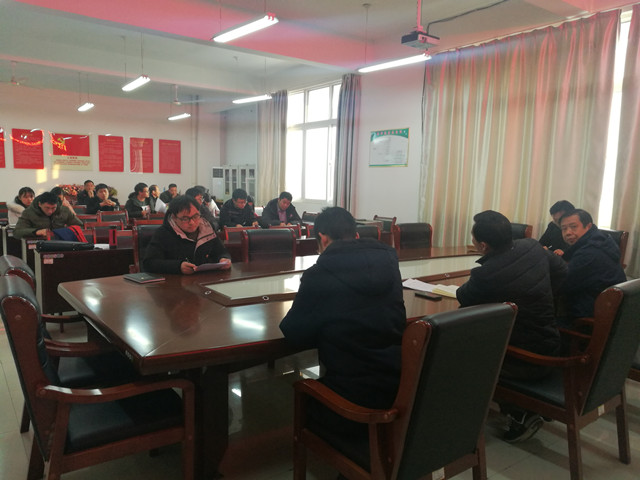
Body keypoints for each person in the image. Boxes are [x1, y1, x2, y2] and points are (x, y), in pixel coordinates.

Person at [279, 207, 406, 437]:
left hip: (351, 404)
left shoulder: (318, 274)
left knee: (304, 395)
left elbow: (294, 333)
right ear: (356, 235)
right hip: (398, 389)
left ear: (322, 238)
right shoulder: (389, 261)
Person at [456, 210, 567, 443]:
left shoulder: (486, 275)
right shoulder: (532, 246)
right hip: (551, 343)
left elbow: (463, 297)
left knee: (460, 349)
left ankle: (517, 413)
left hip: (524, 360)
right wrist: (541, 296)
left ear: (483, 245)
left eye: (474, 239)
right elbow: (562, 271)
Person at [559, 209, 626, 320]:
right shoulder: (602, 241)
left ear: (588, 226)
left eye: (573, 227)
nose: (568, 232)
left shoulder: (589, 253)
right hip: (610, 309)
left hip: (591, 314)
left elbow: (561, 284)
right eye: (564, 229)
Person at [143, 195, 231, 274]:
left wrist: (224, 259)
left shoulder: (207, 228)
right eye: (185, 219)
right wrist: (178, 266)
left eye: (195, 216)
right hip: (175, 283)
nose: (192, 222)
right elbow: (149, 263)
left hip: (205, 280)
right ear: (174, 218)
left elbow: (221, 251)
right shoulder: (163, 233)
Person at [14, 191, 83, 239]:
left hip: (62, 242)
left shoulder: (64, 210)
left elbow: (80, 226)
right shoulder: (28, 212)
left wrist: (66, 231)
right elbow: (17, 232)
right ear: (40, 204)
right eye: (47, 208)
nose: (50, 211)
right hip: (39, 243)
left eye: (53, 208)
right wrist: (36, 232)